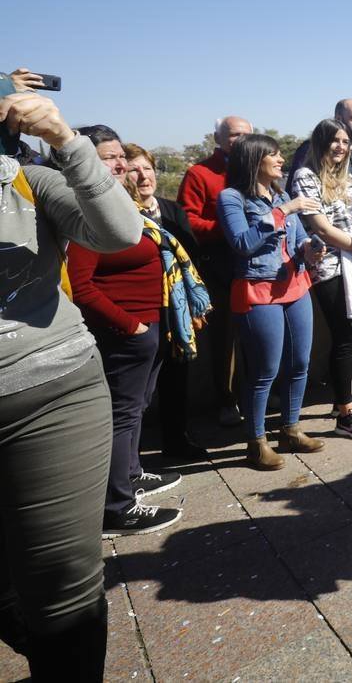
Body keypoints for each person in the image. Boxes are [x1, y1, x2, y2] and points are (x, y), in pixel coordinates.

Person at [0, 78, 143, 680]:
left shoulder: (27, 178)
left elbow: (119, 232)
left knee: (61, 591)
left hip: (48, 391)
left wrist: (66, 140)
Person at [67, 126, 195, 536]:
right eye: (108, 157)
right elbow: (80, 286)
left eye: (121, 155)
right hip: (126, 329)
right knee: (121, 415)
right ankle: (115, 508)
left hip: (150, 323)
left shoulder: (120, 205)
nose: (120, 164)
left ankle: (131, 474)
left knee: (137, 406)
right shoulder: (88, 209)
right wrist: (132, 326)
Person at [218, 134, 328, 469]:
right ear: (255, 160)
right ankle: (256, 441)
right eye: (275, 155)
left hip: (295, 284)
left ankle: (291, 429)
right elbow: (242, 243)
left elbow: (296, 240)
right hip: (258, 289)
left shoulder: (281, 193)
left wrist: (311, 247)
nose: (281, 161)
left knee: (299, 363)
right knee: (264, 370)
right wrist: (283, 211)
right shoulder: (231, 198)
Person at [289, 99, 352, 395]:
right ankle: (345, 409)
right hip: (331, 266)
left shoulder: (349, 177)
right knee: (345, 336)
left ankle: (347, 401)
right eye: (334, 140)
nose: (341, 146)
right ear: (321, 142)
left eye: (345, 142)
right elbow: (321, 227)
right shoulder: (305, 176)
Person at [124, 144, 210, 460]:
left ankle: (176, 441)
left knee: (177, 376)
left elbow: (190, 256)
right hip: (141, 307)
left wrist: (191, 303)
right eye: (134, 168)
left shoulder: (172, 210)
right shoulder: (121, 213)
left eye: (147, 168)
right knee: (139, 387)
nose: (143, 175)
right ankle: (130, 457)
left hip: (176, 308)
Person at [179, 115, 253, 426]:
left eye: (246, 134)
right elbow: (187, 220)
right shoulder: (200, 173)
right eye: (234, 134)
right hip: (219, 265)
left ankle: (255, 393)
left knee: (256, 334)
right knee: (224, 338)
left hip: (253, 264)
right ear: (218, 138)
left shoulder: (253, 169)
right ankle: (226, 399)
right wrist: (228, 228)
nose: (241, 140)